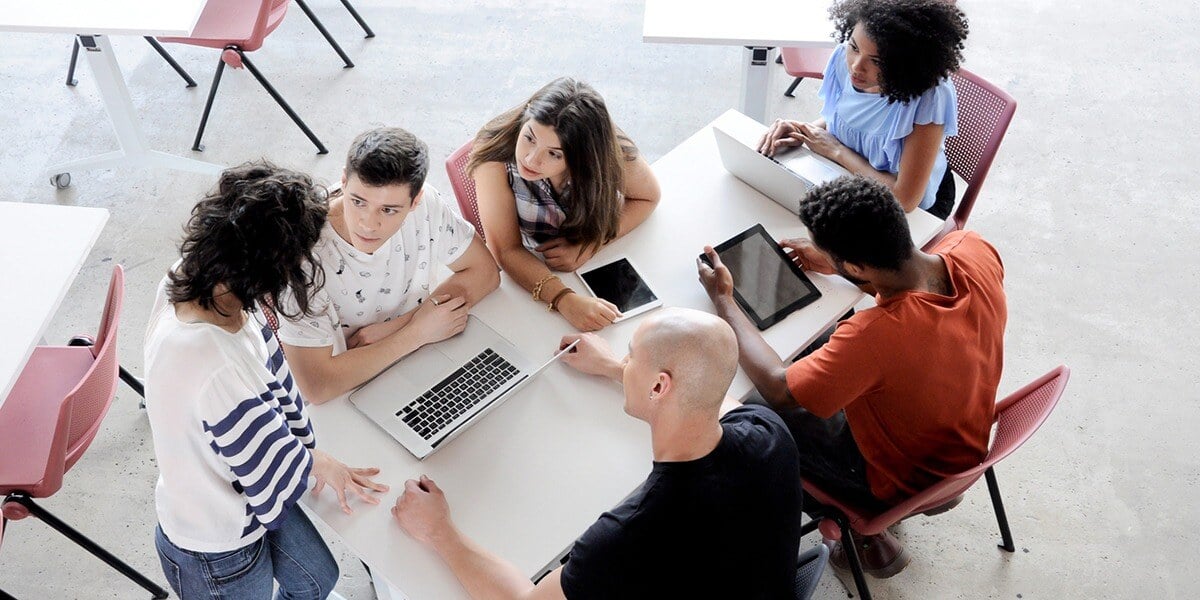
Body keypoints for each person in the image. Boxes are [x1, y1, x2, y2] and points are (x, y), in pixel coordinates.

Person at [698, 175, 1006, 578]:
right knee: (822, 348)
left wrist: (724, 301)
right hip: (959, 437)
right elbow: (906, 289)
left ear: (858, 264)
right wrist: (844, 269)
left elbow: (777, 386)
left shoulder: (874, 335)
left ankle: (858, 530)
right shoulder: (974, 248)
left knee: (739, 411)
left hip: (894, 480)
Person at [391, 308, 803, 599]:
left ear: (659, 386)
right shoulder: (769, 433)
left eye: (631, 356)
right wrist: (612, 367)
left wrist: (439, 531)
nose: (625, 361)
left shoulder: (628, 536)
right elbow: (708, 393)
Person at [144, 162, 389, 599]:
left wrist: (315, 456)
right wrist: (320, 462)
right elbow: (267, 468)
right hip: (217, 546)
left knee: (317, 578)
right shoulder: (213, 364)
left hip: (236, 493)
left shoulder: (196, 273)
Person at [278, 127, 500, 405]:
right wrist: (416, 334)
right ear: (344, 182)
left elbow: (485, 272)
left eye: (388, 210)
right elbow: (318, 386)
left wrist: (399, 327)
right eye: (358, 202)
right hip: (349, 395)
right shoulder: (303, 258)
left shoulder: (426, 205)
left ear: (415, 200)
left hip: (417, 359)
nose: (368, 224)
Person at [467, 77, 662, 331]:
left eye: (554, 153)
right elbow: (506, 250)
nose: (531, 159)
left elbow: (648, 197)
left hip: (596, 260)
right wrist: (564, 299)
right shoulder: (494, 158)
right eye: (529, 137)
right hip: (534, 265)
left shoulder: (604, 150)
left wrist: (591, 244)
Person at [759, 0, 969, 218]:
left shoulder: (929, 95)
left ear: (907, 64)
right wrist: (800, 130)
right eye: (854, 47)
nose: (856, 67)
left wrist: (836, 151)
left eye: (877, 61)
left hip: (913, 209)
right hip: (852, 177)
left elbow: (905, 199)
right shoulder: (843, 57)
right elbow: (841, 119)